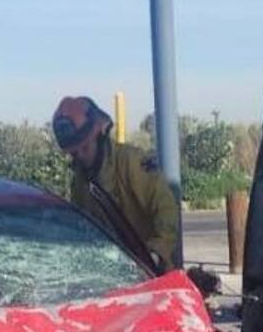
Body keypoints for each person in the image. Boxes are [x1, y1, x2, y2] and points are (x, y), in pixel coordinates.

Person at [53, 96, 180, 272]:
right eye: (74, 153)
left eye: (85, 148)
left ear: (100, 136)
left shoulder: (131, 162)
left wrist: (155, 253)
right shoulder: (79, 182)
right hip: (108, 273)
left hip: (151, 272)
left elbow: (165, 209)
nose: (80, 156)